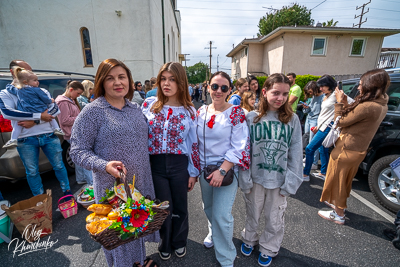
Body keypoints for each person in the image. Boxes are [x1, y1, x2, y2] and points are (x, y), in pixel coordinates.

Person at [69, 58, 159, 267]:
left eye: (121, 77)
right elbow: (77, 151)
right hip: (112, 188)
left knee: (137, 228)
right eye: (110, 78)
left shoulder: (135, 108)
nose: (117, 82)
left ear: (129, 79)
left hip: (140, 184)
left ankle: (137, 262)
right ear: (101, 82)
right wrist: (104, 165)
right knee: (118, 238)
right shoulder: (93, 111)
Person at [239, 73, 303, 267]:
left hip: (279, 179)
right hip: (255, 178)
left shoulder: (292, 119)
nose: (280, 98)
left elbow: (296, 153)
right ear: (265, 92)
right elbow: (244, 151)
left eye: (285, 94)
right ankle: (249, 238)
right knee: (253, 212)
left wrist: (290, 183)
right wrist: (244, 178)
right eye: (276, 92)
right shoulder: (251, 118)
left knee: (274, 217)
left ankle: (269, 247)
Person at [141, 62, 199, 261]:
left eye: (172, 79)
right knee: (163, 207)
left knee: (181, 207)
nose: (166, 83)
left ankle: (180, 241)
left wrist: (193, 172)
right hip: (155, 165)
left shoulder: (189, 110)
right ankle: (164, 243)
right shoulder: (149, 105)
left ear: (181, 82)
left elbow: (193, 144)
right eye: (163, 79)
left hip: (179, 164)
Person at [319, 69, 389, 225]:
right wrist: (345, 102)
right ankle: (338, 205)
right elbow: (356, 119)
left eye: (361, 84)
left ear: (371, 85)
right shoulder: (382, 103)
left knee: (338, 181)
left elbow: (340, 121)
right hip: (358, 149)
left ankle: (338, 213)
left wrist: (338, 102)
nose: (358, 87)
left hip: (346, 148)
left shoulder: (368, 106)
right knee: (345, 181)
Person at [197, 71, 250, 267]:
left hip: (225, 171)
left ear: (229, 90)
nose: (218, 91)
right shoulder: (201, 112)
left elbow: (239, 145)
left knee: (222, 215)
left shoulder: (235, 112)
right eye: (215, 86)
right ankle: (213, 231)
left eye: (224, 87)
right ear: (208, 87)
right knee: (209, 208)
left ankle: (226, 259)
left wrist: (222, 170)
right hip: (204, 170)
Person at [0, 60, 71, 197]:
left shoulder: (41, 90)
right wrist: (39, 116)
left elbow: (55, 109)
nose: (31, 73)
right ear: (13, 72)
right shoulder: (6, 93)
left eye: (31, 70)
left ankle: (67, 193)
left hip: (49, 135)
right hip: (25, 139)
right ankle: (40, 201)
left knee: (59, 166)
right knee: (32, 172)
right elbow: (8, 113)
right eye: (25, 70)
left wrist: (34, 120)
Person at [2, 67, 64, 148]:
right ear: (25, 81)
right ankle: (57, 129)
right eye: (35, 80)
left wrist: (35, 121)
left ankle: (13, 139)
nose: (37, 82)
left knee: (18, 126)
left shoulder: (19, 91)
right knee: (50, 117)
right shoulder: (37, 90)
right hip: (38, 110)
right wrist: (50, 101)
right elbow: (46, 100)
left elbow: (11, 89)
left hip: (27, 112)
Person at [56, 81, 93, 185]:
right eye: (78, 93)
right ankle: (91, 182)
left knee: (78, 157)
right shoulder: (63, 102)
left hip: (74, 132)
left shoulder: (69, 100)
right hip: (71, 133)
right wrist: (81, 117)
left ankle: (81, 179)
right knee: (84, 155)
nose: (79, 96)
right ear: (71, 90)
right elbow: (64, 120)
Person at [303, 75, 337, 181]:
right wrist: (318, 126)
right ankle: (324, 173)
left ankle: (305, 174)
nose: (320, 88)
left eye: (322, 86)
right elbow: (324, 113)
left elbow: (349, 105)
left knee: (309, 148)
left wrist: (334, 122)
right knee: (323, 148)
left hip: (327, 127)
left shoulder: (336, 95)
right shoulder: (326, 95)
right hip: (321, 126)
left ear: (329, 85)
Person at [302, 81, 324, 177]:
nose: (310, 94)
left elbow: (323, 112)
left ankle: (314, 163)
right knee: (307, 139)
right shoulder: (313, 97)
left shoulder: (323, 97)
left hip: (316, 120)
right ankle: (308, 158)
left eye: (311, 91)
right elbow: (308, 110)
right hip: (309, 118)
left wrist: (319, 125)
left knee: (313, 142)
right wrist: (305, 108)